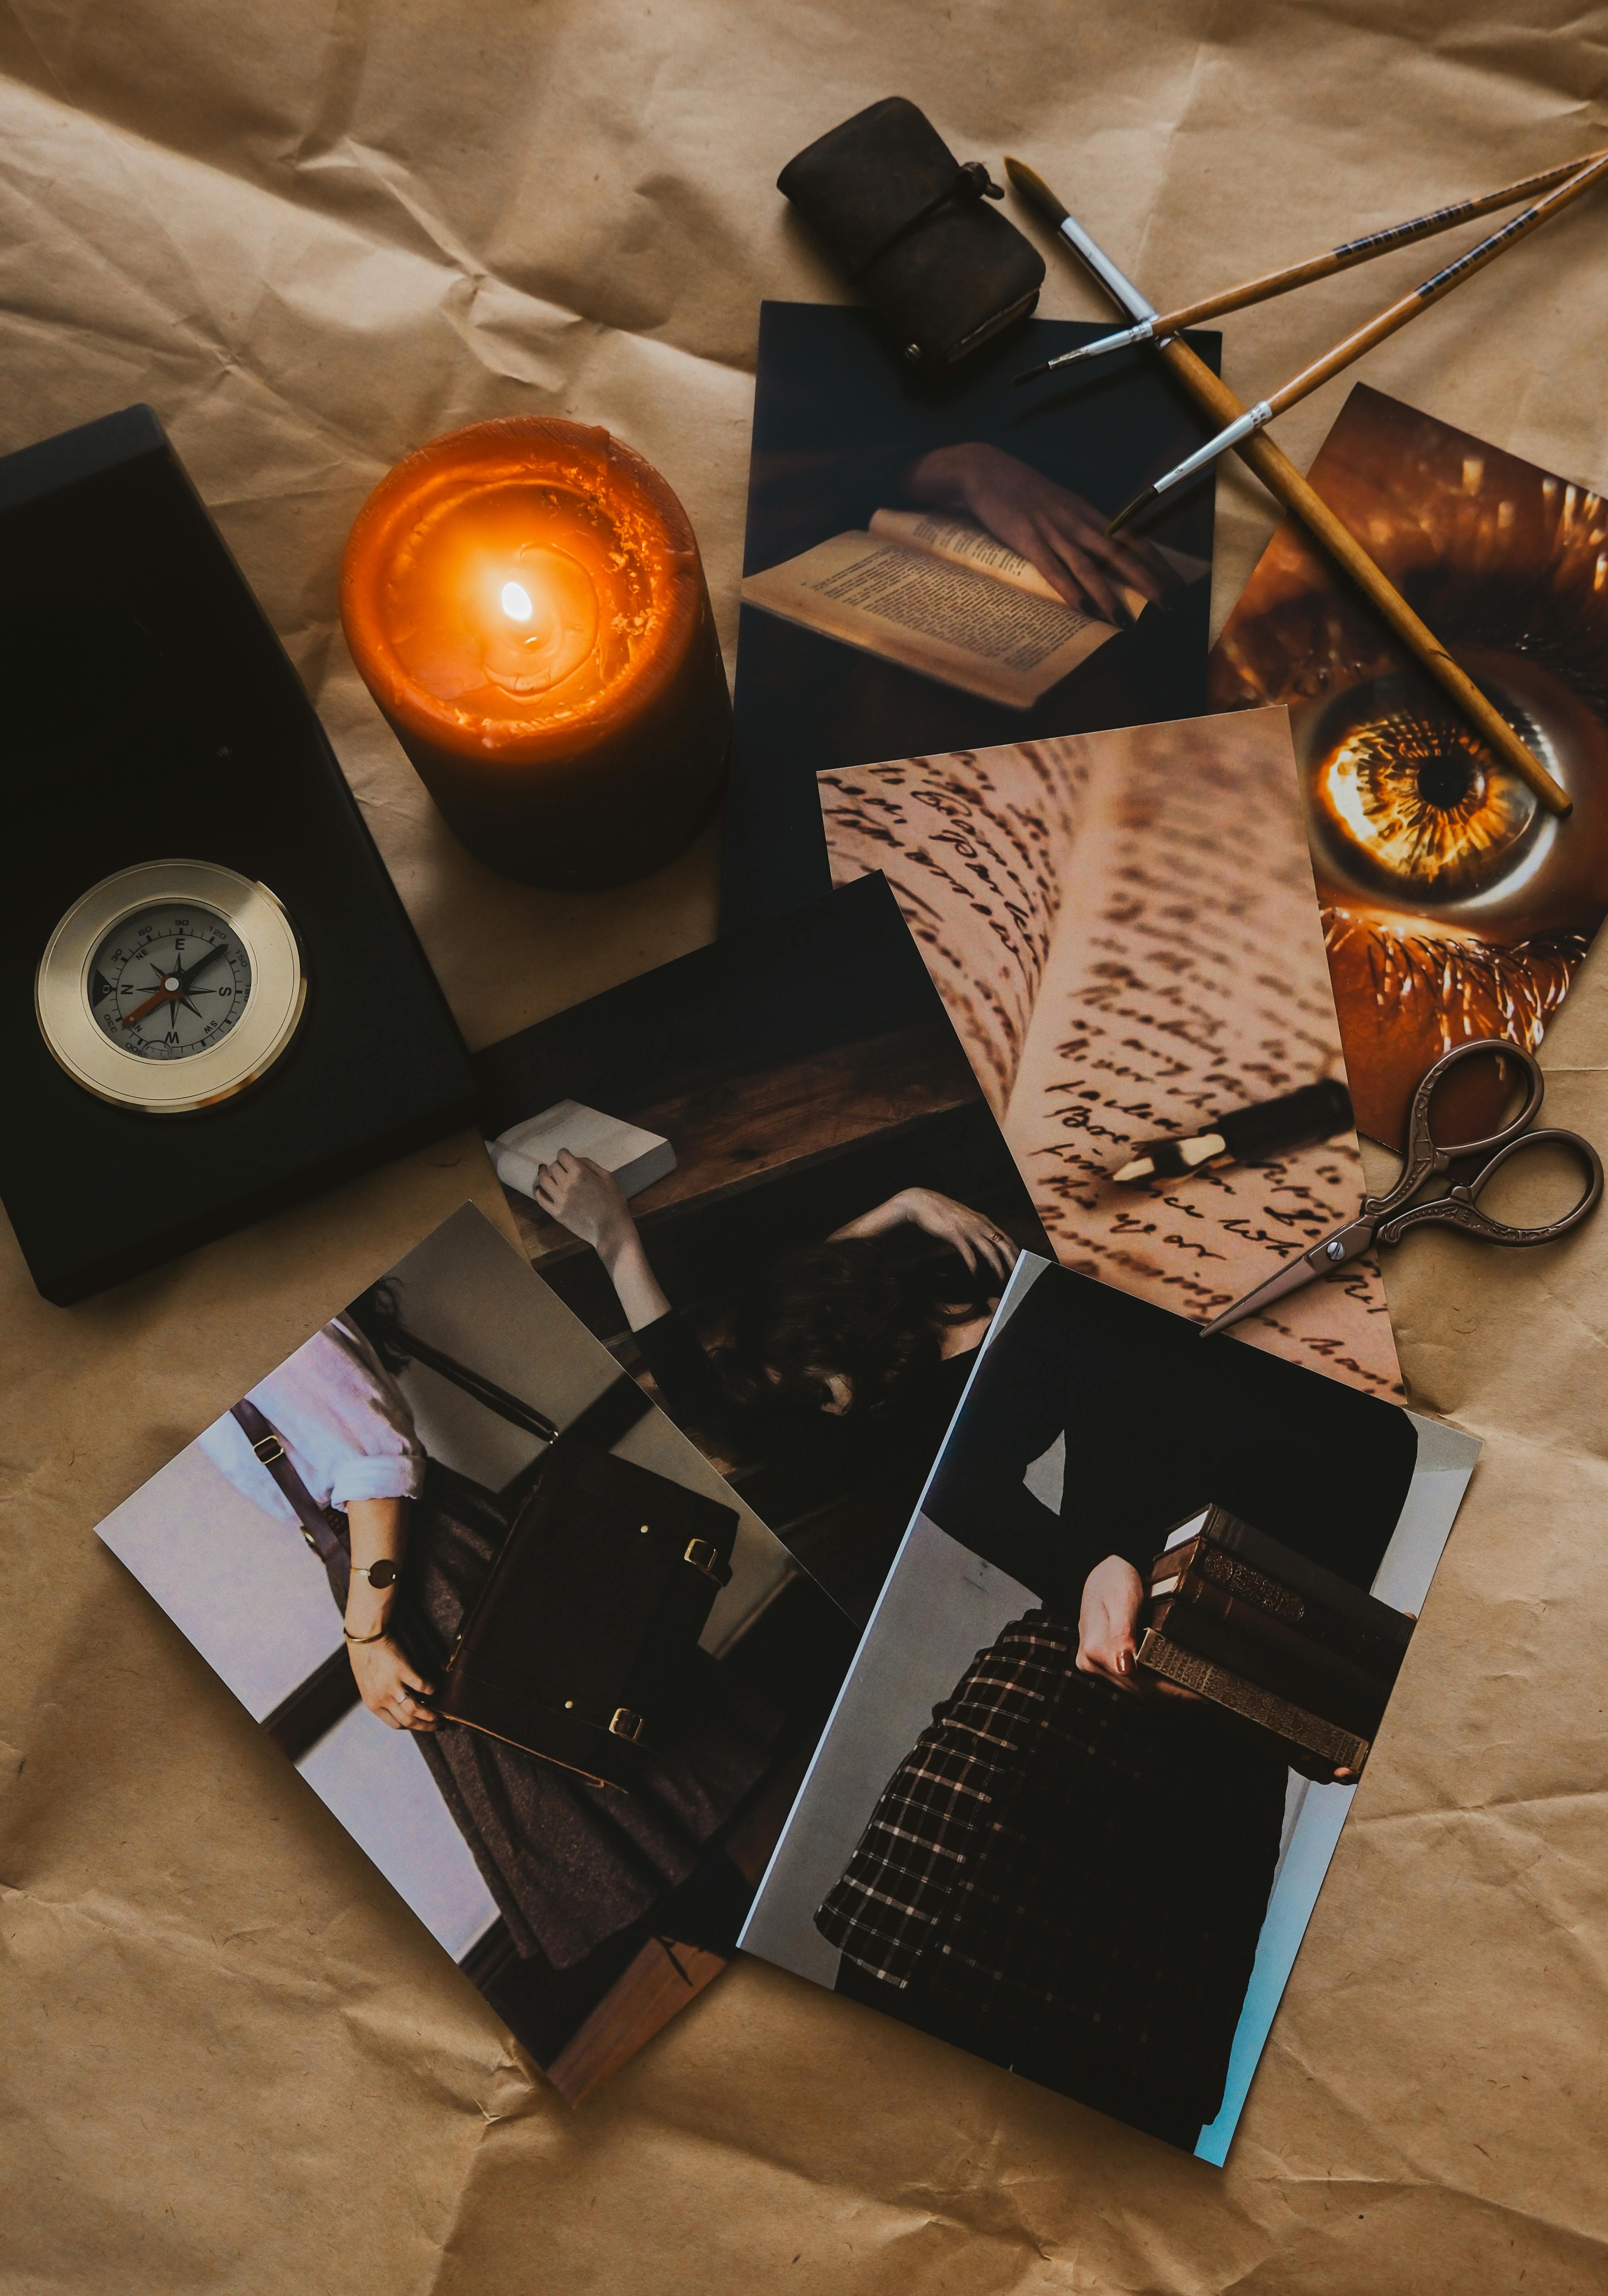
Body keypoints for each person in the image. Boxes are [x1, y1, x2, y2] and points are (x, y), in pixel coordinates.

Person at [812, 1264, 1419, 2149]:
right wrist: (1091, 1566)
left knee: (1117, 2162)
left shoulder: (1386, 1429)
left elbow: (1299, 1631)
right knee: (875, 2103)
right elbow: (958, 1470)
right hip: (1054, 1707)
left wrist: (1329, 1720)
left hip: (1216, 1800)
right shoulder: (1111, 1286)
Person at [200, 1311, 777, 1973]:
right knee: (578, 1812)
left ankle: (762, 1945)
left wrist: (366, 1634)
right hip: (398, 1580)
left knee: (596, 1786)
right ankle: (754, 1946)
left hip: (426, 1567)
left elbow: (377, 1468)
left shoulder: (246, 1328)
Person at [532, 1155, 1019, 1597]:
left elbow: (705, 1394)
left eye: (811, 1386)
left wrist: (615, 1239)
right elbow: (828, 1283)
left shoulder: (883, 1436)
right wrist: (907, 1204)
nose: (814, 1405)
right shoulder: (942, 1325)